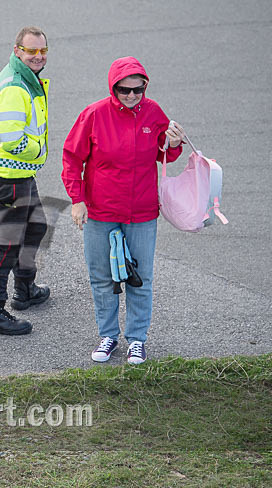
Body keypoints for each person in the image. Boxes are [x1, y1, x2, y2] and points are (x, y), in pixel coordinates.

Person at [62, 56, 185, 365]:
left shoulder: (153, 112)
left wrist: (172, 143)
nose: (131, 96)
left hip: (142, 213)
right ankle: (108, 335)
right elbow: (71, 158)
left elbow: (164, 152)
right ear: (112, 88)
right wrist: (77, 200)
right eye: (123, 90)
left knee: (140, 278)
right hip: (100, 212)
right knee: (102, 278)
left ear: (144, 87)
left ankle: (137, 339)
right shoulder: (93, 114)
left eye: (137, 90)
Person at [0, 26, 51, 336]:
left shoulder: (24, 77)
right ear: (17, 50)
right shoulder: (15, 86)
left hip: (19, 173)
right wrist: (38, 152)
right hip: (9, 174)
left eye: (42, 51)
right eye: (31, 51)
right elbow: (11, 140)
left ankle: (24, 288)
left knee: (36, 227)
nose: (38, 56)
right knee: (5, 243)